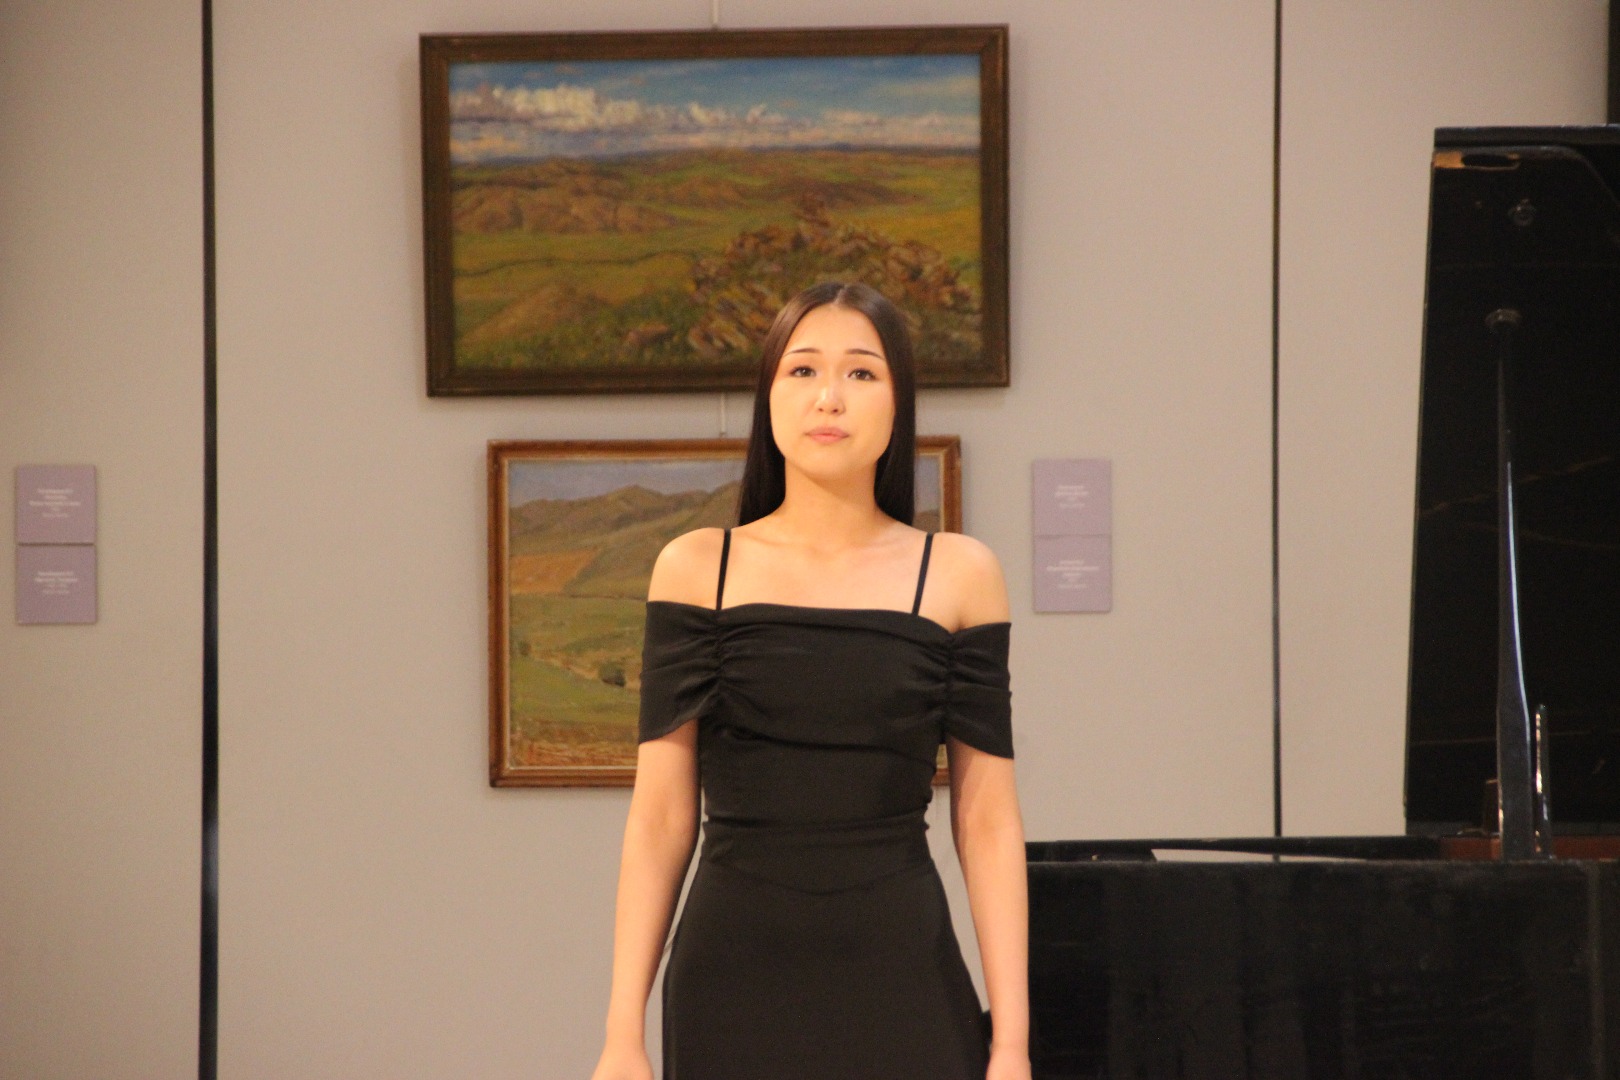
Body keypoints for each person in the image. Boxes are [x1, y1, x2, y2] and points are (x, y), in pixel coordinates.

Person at [588, 282, 1029, 1080]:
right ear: (769, 397)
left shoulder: (960, 574)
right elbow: (659, 817)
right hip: (731, 974)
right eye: (802, 370)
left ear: (898, 402)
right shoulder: (696, 567)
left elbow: (987, 821)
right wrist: (622, 1036)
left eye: (861, 372)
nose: (830, 397)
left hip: (903, 969)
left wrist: (1013, 1046)